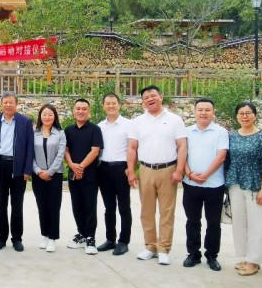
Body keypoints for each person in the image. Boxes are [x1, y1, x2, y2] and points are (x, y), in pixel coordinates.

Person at [127, 85, 187, 266]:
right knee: (146, 211)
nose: (150, 99)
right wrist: (131, 171)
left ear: (161, 96)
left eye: (153, 95)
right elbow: (132, 148)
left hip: (168, 169)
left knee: (167, 212)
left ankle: (164, 248)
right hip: (145, 169)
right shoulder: (137, 122)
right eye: (146, 97)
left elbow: (182, 146)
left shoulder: (175, 120)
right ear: (142, 102)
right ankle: (150, 246)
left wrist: (179, 170)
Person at [227, 101, 262, 277]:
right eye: (241, 113)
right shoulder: (232, 136)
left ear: (255, 115)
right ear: (236, 116)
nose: (244, 116)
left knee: (258, 224)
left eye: (248, 113)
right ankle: (247, 257)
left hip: (256, 184)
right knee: (240, 222)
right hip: (236, 183)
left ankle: (254, 260)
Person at [181, 98, 228, 271]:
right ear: (194, 112)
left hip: (214, 185)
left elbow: (221, 156)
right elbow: (182, 155)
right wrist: (189, 174)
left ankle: (212, 255)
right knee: (192, 221)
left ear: (213, 112)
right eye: (200, 110)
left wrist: (206, 175)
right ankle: (193, 254)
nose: (203, 113)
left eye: (207, 110)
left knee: (213, 223)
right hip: (190, 184)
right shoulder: (186, 132)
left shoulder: (221, 132)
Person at [0, 92, 34, 252]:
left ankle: (17, 238)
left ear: (16, 104)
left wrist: (27, 169)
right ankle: (1, 238)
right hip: (0, 165)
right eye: (5, 102)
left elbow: (30, 147)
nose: (8, 105)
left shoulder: (25, 122)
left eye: (11, 102)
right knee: (1, 205)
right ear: (1, 104)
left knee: (17, 205)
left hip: (18, 167)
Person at [64, 98, 104, 254]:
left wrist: (80, 167)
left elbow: (95, 151)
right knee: (77, 206)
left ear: (89, 111)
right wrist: (72, 166)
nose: (81, 111)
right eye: (78, 109)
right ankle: (81, 234)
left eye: (84, 109)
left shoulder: (95, 129)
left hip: (90, 175)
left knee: (89, 206)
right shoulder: (68, 130)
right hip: (73, 175)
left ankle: (90, 238)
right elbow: (65, 150)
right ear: (74, 111)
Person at [97, 93, 133, 256]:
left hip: (121, 168)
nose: (110, 106)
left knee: (124, 207)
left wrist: (130, 169)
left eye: (113, 103)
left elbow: (133, 148)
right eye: (107, 103)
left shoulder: (129, 125)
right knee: (109, 207)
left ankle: (123, 241)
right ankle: (110, 239)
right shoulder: (100, 126)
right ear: (103, 106)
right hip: (104, 169)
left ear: (119, 105)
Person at [32, 104, 66, 253]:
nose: (47, 117)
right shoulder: (34, 133)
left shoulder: (60, 133)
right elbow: (30, 154)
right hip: (38, 175)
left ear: (55, 117)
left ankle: (52, 238)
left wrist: (50, 172)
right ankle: (45, 235)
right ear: (40, 116)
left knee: (54, 206)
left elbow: (61, 154)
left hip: (55, 175)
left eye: (50, 114)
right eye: (44, 114)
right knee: (42, 206)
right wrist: (38, 170)